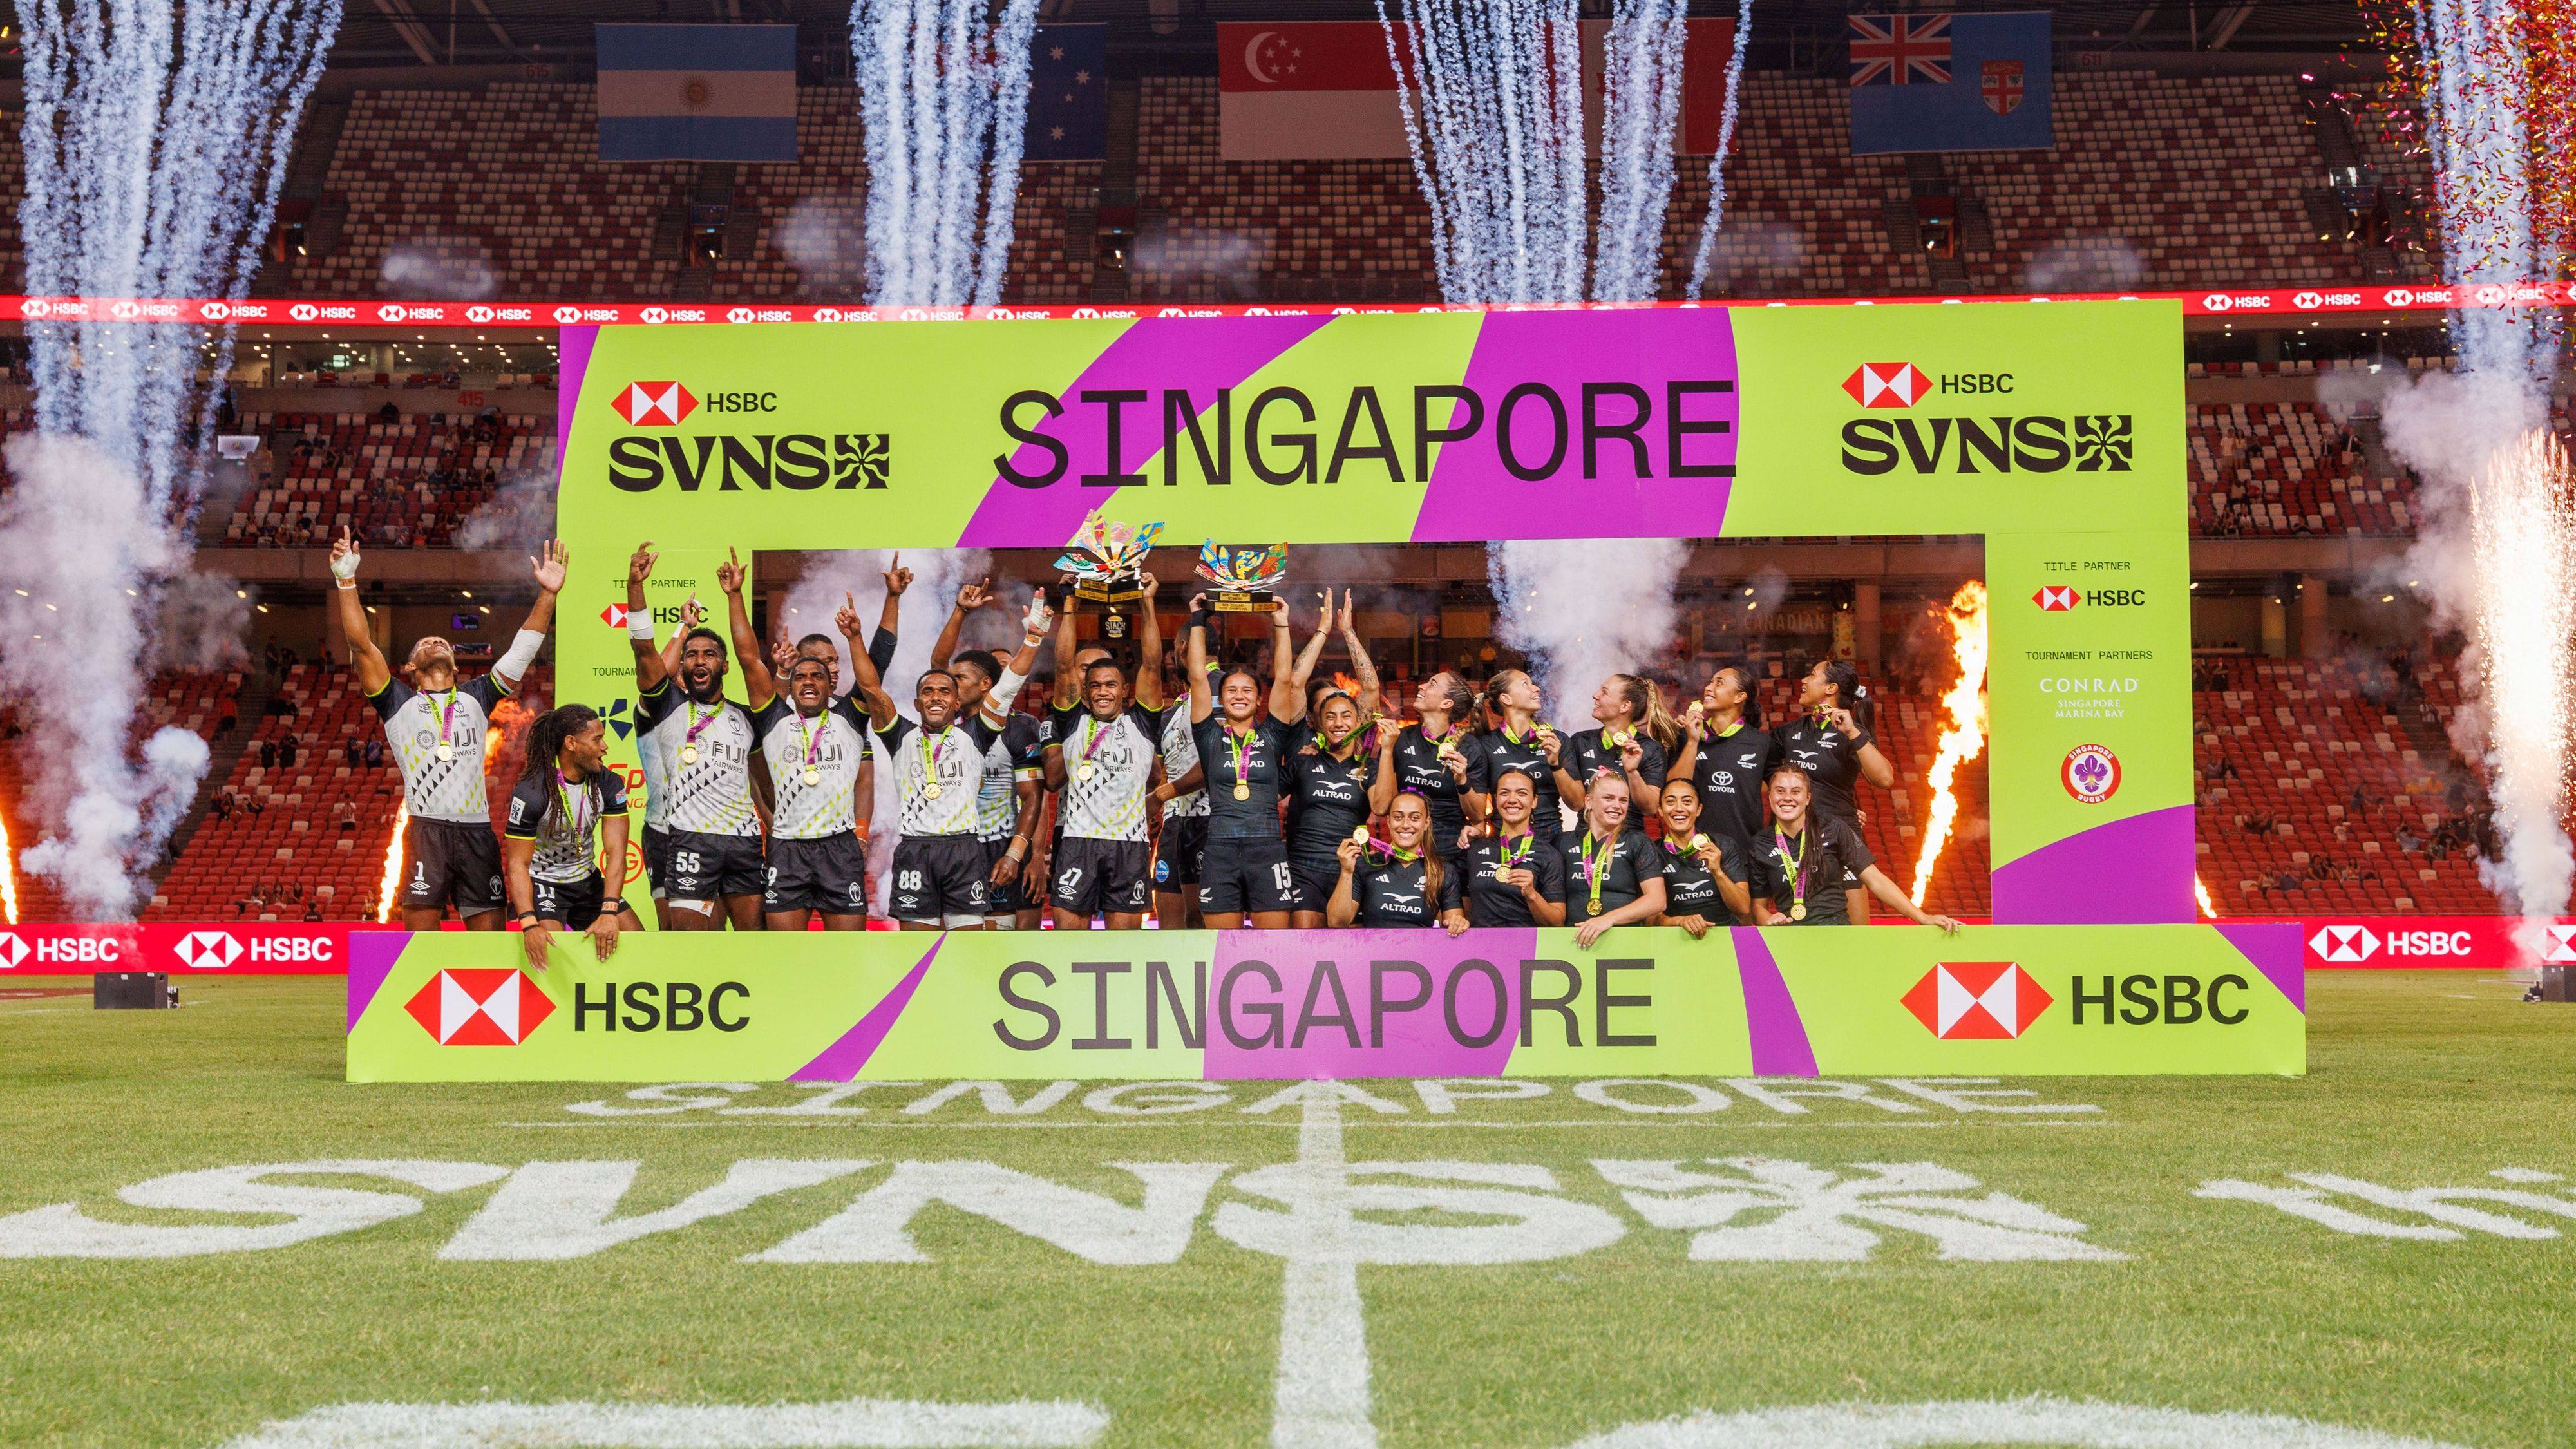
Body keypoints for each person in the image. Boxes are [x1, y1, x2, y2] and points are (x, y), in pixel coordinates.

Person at [330, 526, 560, 931]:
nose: (436, 640)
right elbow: (362, 645)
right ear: (409, 668)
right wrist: (346, 580)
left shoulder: (477, 696)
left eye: (443, 642)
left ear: (456, 666)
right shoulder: (397, 702)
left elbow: (524, 649)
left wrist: (548, 593)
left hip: (476, 830)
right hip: (426, 830)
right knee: (422, 943)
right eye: (425, 642)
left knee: (487, 944)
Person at [842, 582, 1050, 930]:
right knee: (917, 951)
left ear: (956, 703)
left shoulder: (976, 735)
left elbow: (1008, 685)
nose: (935, 696)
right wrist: (854, 639)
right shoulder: (901, 735)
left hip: (963, 851)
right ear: (917, 703)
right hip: (915, 850)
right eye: (927, 691)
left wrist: (1032, 639)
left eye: (944, 691)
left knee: (969, 950)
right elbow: (872, 690)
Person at [627, 543, 767, 931]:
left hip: (743, 842)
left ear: (723, 665)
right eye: (691, 655)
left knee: (755, 943)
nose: (699, 660)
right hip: (687, 838)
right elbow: (644, 651)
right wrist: (635, 587)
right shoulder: (667, 707)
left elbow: (762, 785)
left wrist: (780, 835)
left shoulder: (747, 717)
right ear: (683, 665)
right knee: (688, 944)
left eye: (709, 654)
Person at [1043, 574, 1173, 930]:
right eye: (1095, 686)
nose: (1103, 692)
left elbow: (1151, 663)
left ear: (1125, 690)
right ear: (1084, 693)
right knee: (1070, 946)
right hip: (1077, 843)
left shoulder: (1142, 724)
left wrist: (1147, 602)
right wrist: (1071, 605)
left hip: (1129, 847)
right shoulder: (1072, 722)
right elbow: (1064, 666)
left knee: (1125, 947)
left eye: (1111, 685)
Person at [1185, 589, 1304, 927]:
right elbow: (1197, 676)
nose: (1239, 696)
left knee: (1274, 948)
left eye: (1247, 690)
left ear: (1258, 698)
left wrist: (1281, 624)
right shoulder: (1209, 736)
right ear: (1220, 698)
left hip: (1267, 848)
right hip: (1220, 850)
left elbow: (1284, 678)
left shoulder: (1272, 734)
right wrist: (1198, 619)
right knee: (1223, 946)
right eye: (1231, 691)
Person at [932, 576, 1045, 930]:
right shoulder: (942, 723)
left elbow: (1032, 798)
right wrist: (960, 612)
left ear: (988, 686)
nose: (950, 686)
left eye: (960, 679)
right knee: (955, 939)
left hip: (998, 845)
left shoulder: (1020, 726)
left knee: (999, 941)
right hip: (953, 846)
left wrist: (1021, 854)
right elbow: (937, 664)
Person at [748, 643, 877, 933]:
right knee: (785, 955)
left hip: (839, 847)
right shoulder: (775, 721)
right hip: (788, 849)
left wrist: (856, 635)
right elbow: (749, 662)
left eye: (817, 676)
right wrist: (733, 597)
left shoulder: (849, 719)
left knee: (849, 953)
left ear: (830, 687)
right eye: (800, 677)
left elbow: (876, 667)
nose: (808, 681)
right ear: (791, 690)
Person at [1283, 599, 1397, 925]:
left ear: (1358, 721)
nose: (1339, 722)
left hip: (1350, 868)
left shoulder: (1368, 764)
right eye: (1328, 715)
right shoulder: (1303, 758)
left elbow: (1381, 806)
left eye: (1346, 715)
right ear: (1316, 722)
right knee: (1304, 943)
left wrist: (1347, 631)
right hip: (1302, 869)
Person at [503, 702, 641, 965]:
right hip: (545, 883)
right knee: (555, 952)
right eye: (597, 739)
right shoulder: (533, 792)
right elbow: (517, 864)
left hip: (587, 882)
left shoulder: (609, 784)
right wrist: (529, 923)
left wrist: (609, 909)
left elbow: (616, 853)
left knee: (637, 941)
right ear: (571, 743)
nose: (605, 747)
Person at [1747, 763, 1961, 932]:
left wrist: (1922, 917)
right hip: (1790, 939)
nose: (1787, 798)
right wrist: (1769, 919)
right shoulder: (1760, 844)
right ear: (1770, 796)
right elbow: (1758, 907)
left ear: (1808, 798)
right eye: (1780, 791)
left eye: (1796, 791)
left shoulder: (1833, 828)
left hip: (1837, 934)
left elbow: (1875, 880)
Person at [1774, 658, 1895, 920]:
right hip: (1797, 845)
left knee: (1855, 939)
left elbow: (1885, 779)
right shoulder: (1788, 733)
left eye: (1811, 675)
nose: (1804, 681)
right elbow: (1763, 778)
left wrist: (1852, 733)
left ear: (1831, 688)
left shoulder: (1852, 732)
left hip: (1842, 842)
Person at [1387, 671, 1491, 878]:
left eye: (1432, 684)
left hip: (1450, 851)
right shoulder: (1403, 738)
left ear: (1446, 704)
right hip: (1407, 845)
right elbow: (1384, 802)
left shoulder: (1469, 747)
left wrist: (1462, 780)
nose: (1421, 686)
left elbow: (1478, 814)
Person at [1671, 663, 1777, 851]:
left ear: (1740, 696)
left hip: (1744, 848)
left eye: (1719, 683)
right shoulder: (1686, 735)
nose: (1708, 688)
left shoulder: (1761, 743)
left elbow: (1780, 793)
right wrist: (1692, 742)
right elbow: (1673, 787)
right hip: (1693, 847)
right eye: (1710, 682)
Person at [1328, 791, 1466, 933]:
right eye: (1398, 817)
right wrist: (1346, 872)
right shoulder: (1366, 864)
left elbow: (1454, 926)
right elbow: (1337, 923)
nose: (1406, 824)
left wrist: (1458, 924)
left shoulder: (1443, 871)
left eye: (1415, 818)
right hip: (1374, 953)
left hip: (1420, 953)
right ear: (1389, 822)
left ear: (1426, 823)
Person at [1561, 771, 1667, 949]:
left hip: (1625, 943)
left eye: (1623, 800)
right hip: (1571, 942)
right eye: (1608, 798)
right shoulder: (1564, 842)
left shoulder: (1637, 842)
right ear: (1589, 801)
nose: (1617, 806)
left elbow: (1657, 900)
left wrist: (1608, 919)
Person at [1555, 674, 1681, 817]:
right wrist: (1556, 765)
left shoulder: (1650, 749)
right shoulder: (1580, 741)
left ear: (1625, 706)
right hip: (1586, 835)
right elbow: (1576, 804)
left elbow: (1651, 808)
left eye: (1605, 692)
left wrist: (1633, 773)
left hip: (1630, 836)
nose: (1595, 696)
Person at [1460, 767, 1567, 927]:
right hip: (1480, 946)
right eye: (1504, 793)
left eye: (1522, 793)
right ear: (1496, 799)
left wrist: (1532, 896)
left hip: (1527, 947)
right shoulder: (1475, 847)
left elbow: (1557, 923)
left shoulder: (1549, 855)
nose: (1512, 799)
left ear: (1535, 801)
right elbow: (1464, 906)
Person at [1651, 777, 1752, 936]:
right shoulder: (1652, 853)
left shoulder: (1723, 845)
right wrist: (1680, 921)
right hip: (1677, 939)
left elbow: (1743, 909)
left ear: (1698, 809)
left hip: (1725, 936)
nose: (1679, 808)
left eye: (1687, 802)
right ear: (1660, 810)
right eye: (1670, 802)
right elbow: (1651, 920)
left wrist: (1718, 873)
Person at [1150, 668, 1211, 930]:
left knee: (1203, 921)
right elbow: (1158, 774)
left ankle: (1212, 970)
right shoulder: (1167, 716)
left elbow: (1215, 758)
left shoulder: (1222, 691)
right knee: (1169, 923)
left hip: (1210, 818)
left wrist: (1161, 794)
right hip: (1174, 822)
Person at [1481, 668, 1569, 847]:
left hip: (1550, 839)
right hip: (1503, 839)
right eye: (1525, 684)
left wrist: (1556, 765)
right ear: (1506, 699)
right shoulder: (1485, 745)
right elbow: (1476, 811)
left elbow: (1576, 804)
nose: (1536, 689)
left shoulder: (1556, 740)